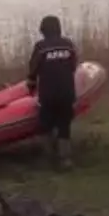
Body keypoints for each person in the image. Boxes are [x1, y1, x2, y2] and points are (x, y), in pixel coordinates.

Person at [27, 15, 79, 168]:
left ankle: (47, 156)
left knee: (45, 124)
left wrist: (31, 87)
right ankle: (65, 159)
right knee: (64, 124)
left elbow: (32, 71)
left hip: (48, 93)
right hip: (67, 92)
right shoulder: (68, 45)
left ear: (43, 30)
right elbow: (73, 66)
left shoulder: (40, 47)